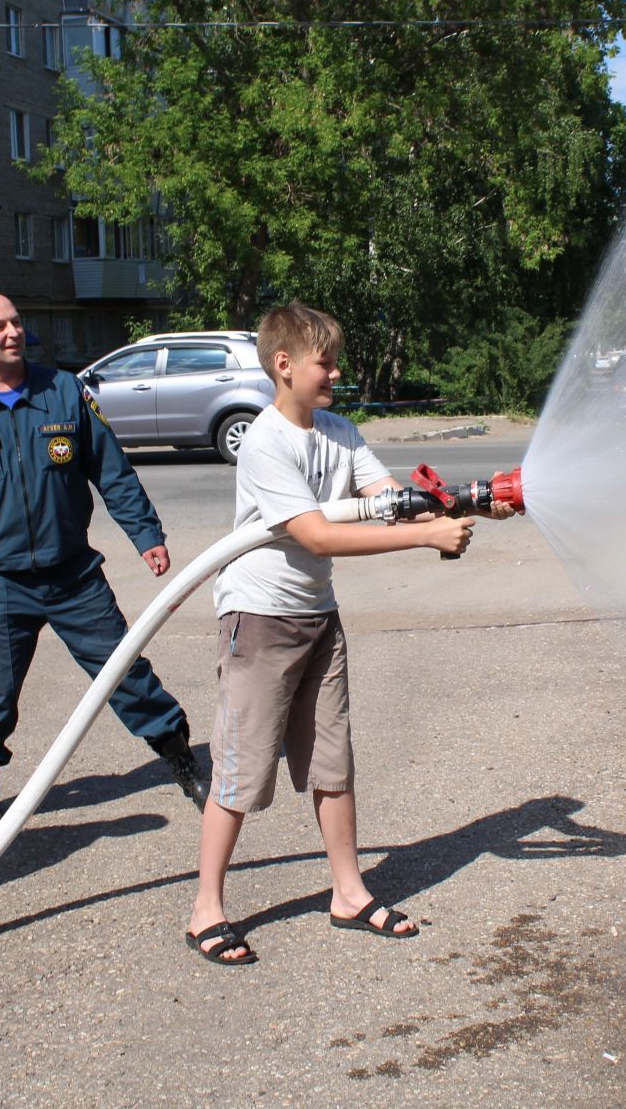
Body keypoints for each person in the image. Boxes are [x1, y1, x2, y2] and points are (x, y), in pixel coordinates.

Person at [184, 303, 476, 966]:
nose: (337, 373)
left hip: (319, 616)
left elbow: (393, 498)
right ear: (284, 366)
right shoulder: (264, 442)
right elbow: (316, 533)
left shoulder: (339, 432)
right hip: (258, 622)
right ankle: (206, 908)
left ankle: (348, 892)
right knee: (241, 769)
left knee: (331, 762)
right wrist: (426, 536)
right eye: (326, 362)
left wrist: (470, 503)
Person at [0, 292, 205, 835]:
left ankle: (184, 764)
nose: (11, 332)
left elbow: (113, 470)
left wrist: (145, 534)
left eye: (16, 321)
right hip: (3, 585)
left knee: (126, 674)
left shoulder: (65, 392)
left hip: (75, 577)